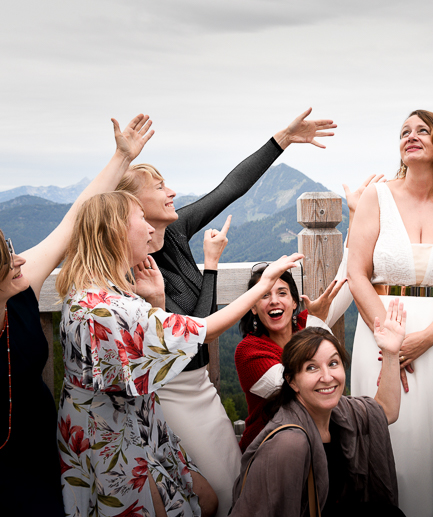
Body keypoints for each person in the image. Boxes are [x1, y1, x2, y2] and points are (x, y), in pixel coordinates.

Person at [116, 108, 335, 515]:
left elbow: (230, 188)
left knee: (237, 481)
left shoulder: (177, 231)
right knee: (219, 492)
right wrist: (213, 268)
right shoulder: (136, 266)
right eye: (160, 185)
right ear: (133, 203)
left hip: (202, 387)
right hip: (172, 394)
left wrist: (283, 139)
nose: (171, 192)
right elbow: (198, 330)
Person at [55, 189, 303, 517]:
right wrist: (262, 285)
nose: (149, 227)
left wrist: (156, 299)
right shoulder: (105, 310)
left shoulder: (97, 292)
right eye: (140, 219)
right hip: (112, 441)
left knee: (207, 500)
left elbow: (145, 349)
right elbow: (203, 330)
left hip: (140, 425)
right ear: (116, 232)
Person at [0, 114, 154, 517]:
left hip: (40, 451)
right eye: (6, 259)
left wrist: (121, 158)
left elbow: (73, 222)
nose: (19, 259)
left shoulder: (17, 290)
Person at [348, 109, 433, 516]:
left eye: (422, 130)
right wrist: (388, 339)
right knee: (394, 434)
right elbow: (357, 273)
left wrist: (426, 338)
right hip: (381, 337)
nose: (411, 136)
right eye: (404, 131)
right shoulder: (377, 196)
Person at [234, 174, 379, 451]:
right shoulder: (249, 351)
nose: (274, 301)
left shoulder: (306, 323)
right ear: (252, 306)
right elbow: (298, 390)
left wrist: (356, 215)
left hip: (317, 441)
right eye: (264, 295)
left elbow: (346, 280)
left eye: (282, 293)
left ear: (293, 302)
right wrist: (318, 321)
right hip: (271, 447)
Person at [230, 306, 406, 517]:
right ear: (292, 381)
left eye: (333, 363)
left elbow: (385, 410)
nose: (327, 376)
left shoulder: (342, 411)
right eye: (311, 368)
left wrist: (391, 352)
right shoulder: (288, 443)